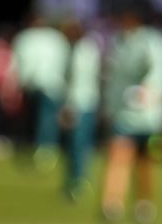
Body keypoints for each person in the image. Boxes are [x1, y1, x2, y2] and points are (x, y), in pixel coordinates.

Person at [100, 3, 162, 223]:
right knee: (119, 155)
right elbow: (111, 80)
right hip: (123, 114)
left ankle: (144, 203)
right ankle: (112, 203)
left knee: (145, 164)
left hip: (149, 116)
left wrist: (148, 90)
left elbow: (160, 70)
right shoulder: (117, 42)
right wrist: (108, 108)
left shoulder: (153, 40)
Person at [10, 11, 69, 166]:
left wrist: (20, 83)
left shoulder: (26, 38)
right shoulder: (56, 38)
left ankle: (44, 149)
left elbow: (21, 63)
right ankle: (44, 148)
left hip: (39, 84)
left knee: (44, 119)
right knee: (45, 118)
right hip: (50, 85)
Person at [59, 18, 101, 202]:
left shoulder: (86, 50)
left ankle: (79, 179)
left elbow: (80, 81)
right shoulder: (73, 50)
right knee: (72, 145)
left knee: (79, 144)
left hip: (82, 104)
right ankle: (73, 179)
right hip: (75, 104)